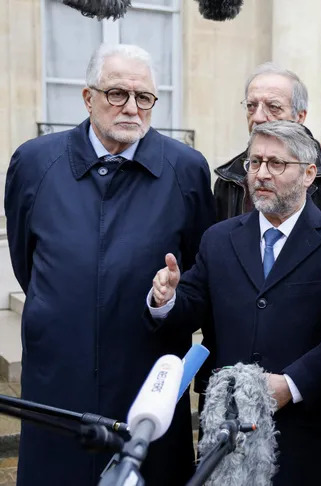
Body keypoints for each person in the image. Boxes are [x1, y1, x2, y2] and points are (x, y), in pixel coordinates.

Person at [4, 44, 215, 485]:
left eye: (144, 97)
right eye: (117, 93)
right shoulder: (34, 162)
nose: (132, 108)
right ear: (88, 98)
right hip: (58, 380)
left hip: (145, 383)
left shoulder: (187, 169)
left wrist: (165, 300)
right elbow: (28, 263)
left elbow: (197, 278)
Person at [147, 120, 321, 486]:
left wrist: (291, 384)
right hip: (230, 435)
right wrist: (166, 297)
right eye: (255, 162)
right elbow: (191, 306)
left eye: (276, 163)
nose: (261, 174)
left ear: (308, 174)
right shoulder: (219, 238)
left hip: (310, 433)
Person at [214, 62, 321, 221]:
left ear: (299, 116)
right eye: (251, 106)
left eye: (273, 107)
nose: (258, 117)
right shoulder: (228, 180)